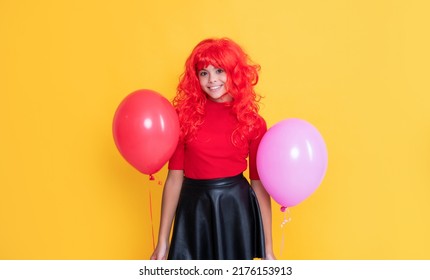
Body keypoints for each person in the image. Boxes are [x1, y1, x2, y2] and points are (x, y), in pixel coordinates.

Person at [150, 37, 275, 260]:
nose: (212, 80)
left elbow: (259, 186)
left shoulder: (253, 122)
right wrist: (163, 241)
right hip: (193, 209)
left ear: (234, 73)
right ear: (195, 77)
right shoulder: (182, 118)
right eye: (204, 73)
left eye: (219, 70)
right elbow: (174, 179)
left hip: (235, 208)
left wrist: (268, 250)